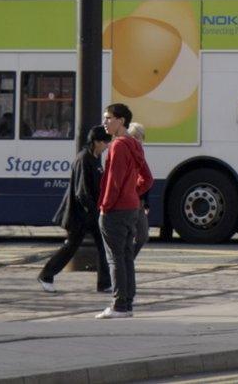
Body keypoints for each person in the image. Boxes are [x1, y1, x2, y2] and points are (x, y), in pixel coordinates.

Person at [37, 125, 112, 293]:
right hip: (80, 214)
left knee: (103, 245)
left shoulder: (93, 158)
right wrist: (97, 212)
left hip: (89, 213)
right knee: (71, 247)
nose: (107, 146)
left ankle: (104, 283)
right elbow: (82, 192)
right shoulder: (83, 159)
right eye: (105, 143)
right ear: (96, 142)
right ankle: (45, 275)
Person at [96, 103, 153, 319]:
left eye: (109, 118)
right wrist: (134, 192)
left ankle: (119, 305)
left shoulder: (117, 146)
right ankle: (127, 303)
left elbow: (113, 181)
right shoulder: (134, 144)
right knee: (127, 256)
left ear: (121, 121)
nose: (105, 123)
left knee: (115, 258)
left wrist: (105, 206)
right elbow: (147, 178)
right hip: (132, 208)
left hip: (116, 209)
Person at [127, 122, 151, 257]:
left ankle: (129, 259)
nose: (137, 139)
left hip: (140, 202)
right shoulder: (126, 153)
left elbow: (146, 179)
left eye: (140, 137)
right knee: (128, 235)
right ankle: (126, 263)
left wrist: (146, 202)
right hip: (129, 201)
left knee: (142, 236)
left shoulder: (140, 153)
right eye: (134, 136)